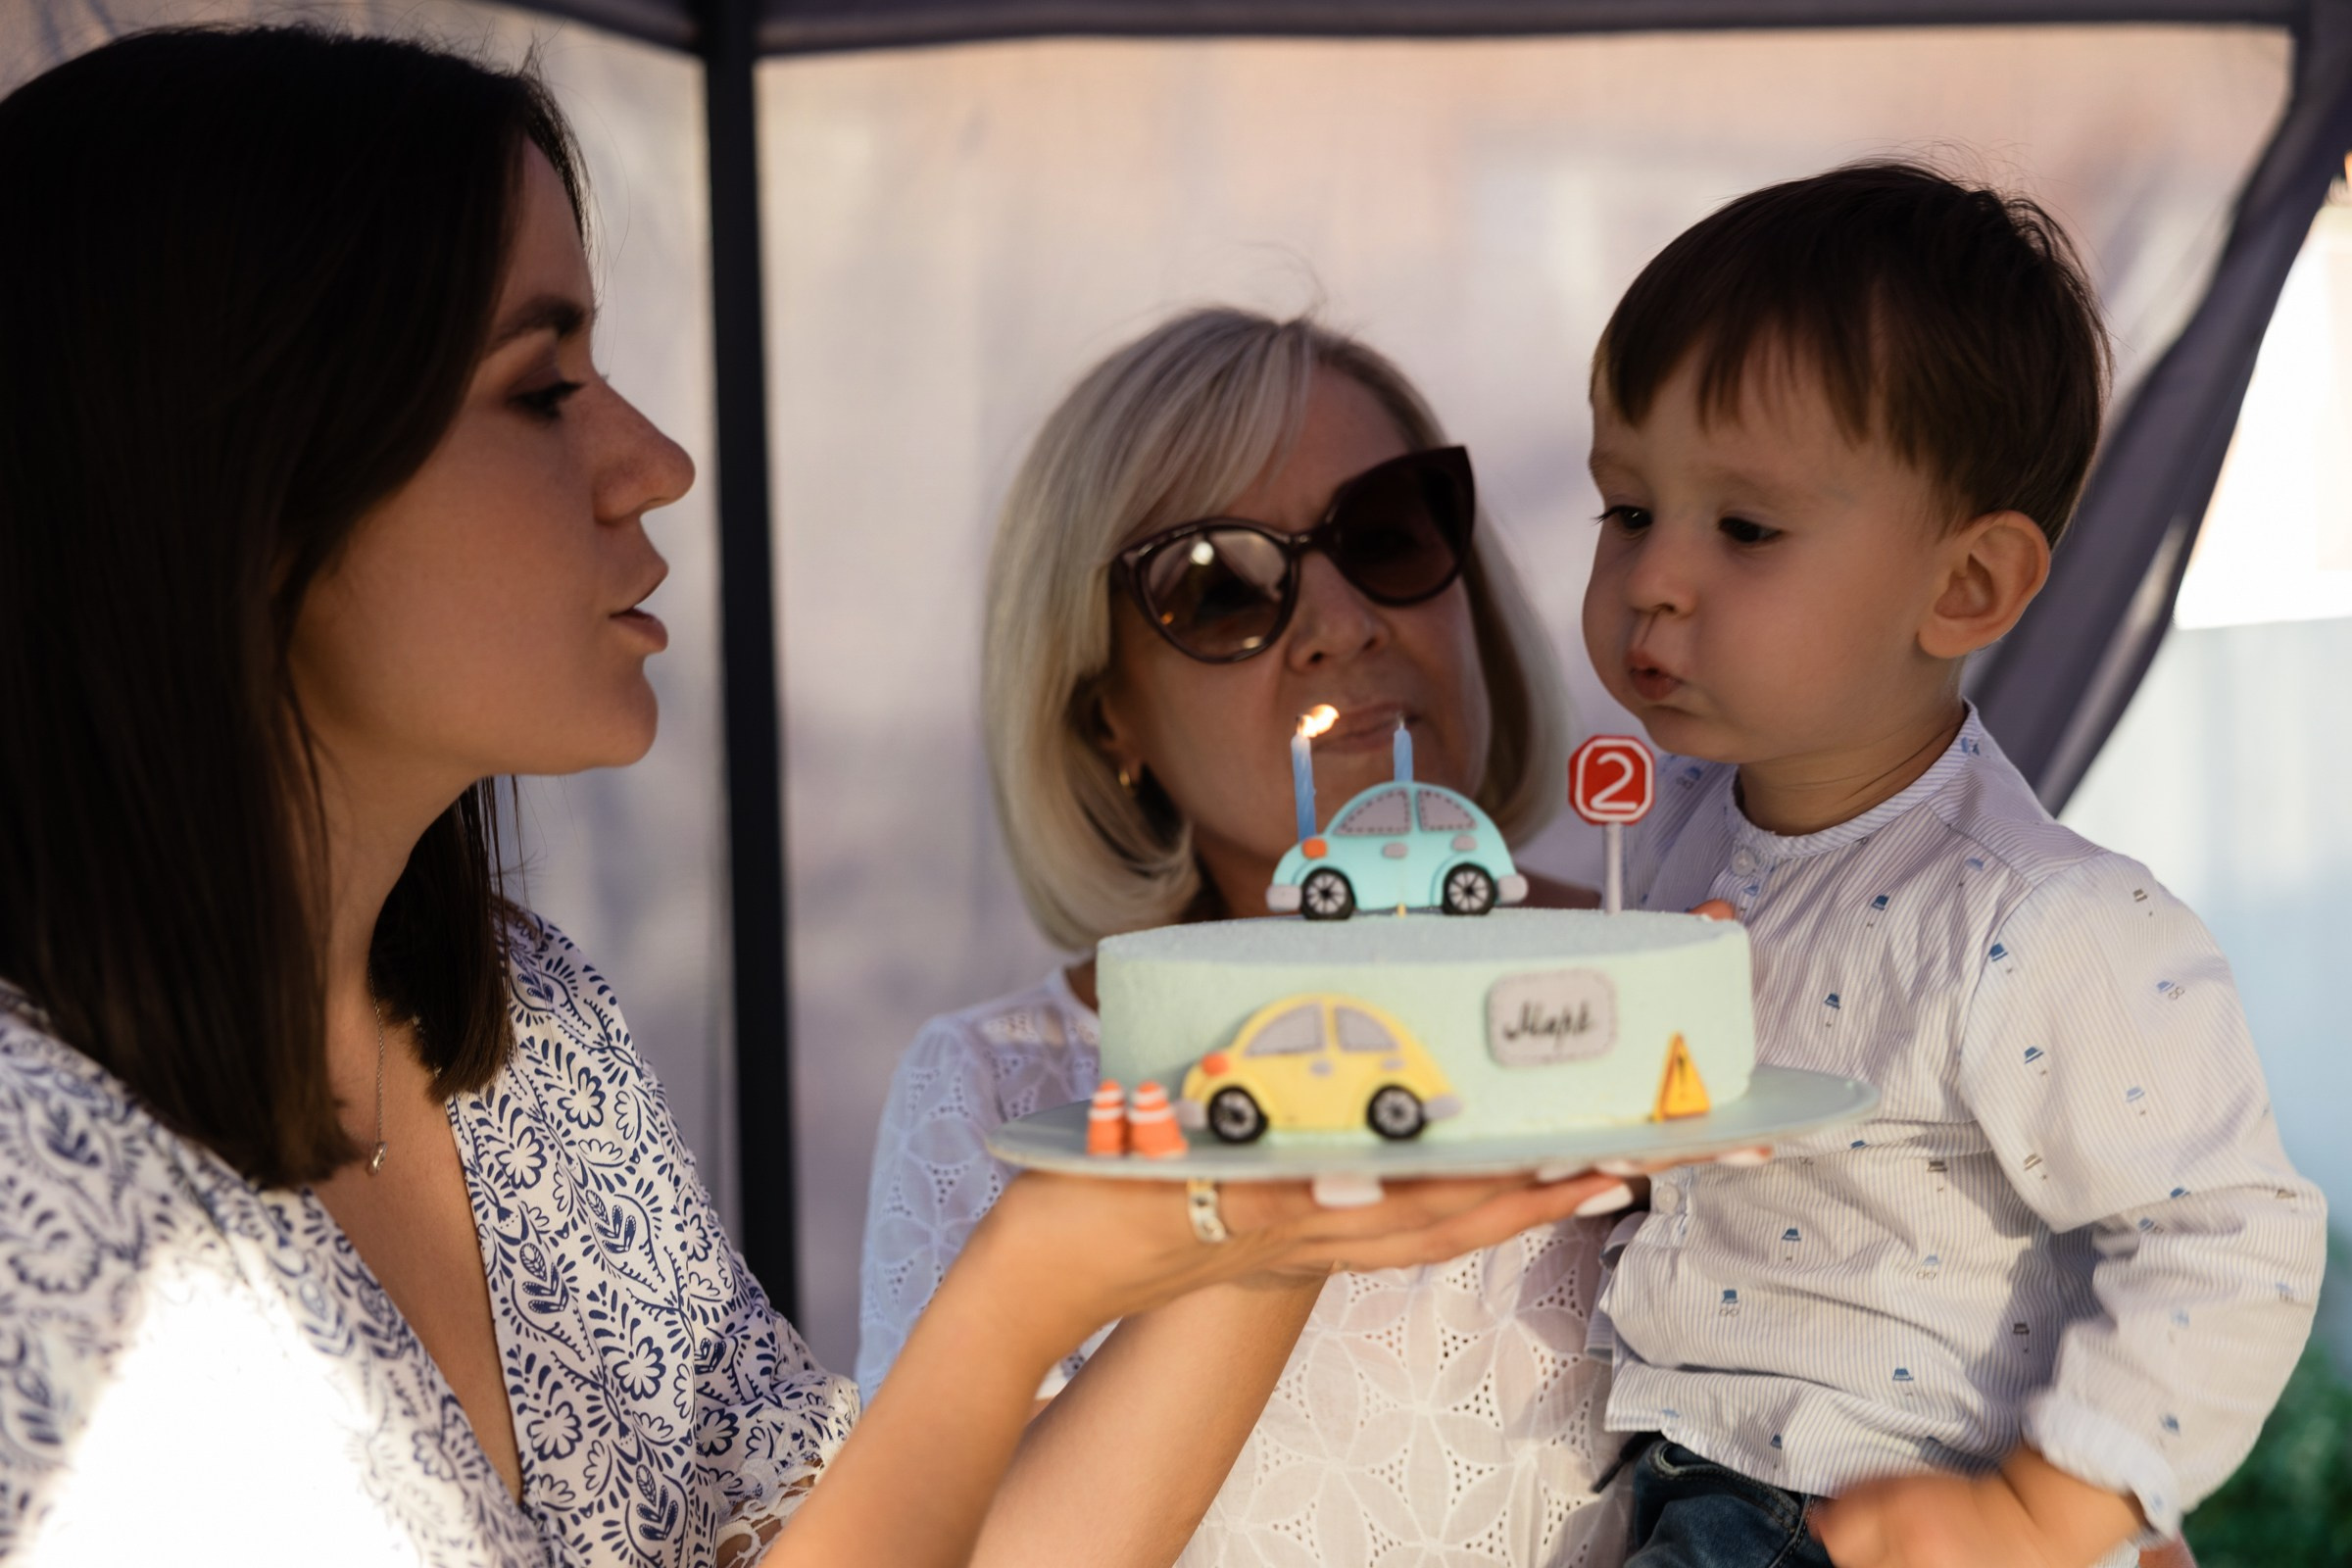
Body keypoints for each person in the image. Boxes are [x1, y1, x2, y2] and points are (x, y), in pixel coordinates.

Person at [0, 27, 1638, 1567]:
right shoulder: (35, 1177)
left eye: (1399, 530)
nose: (655, 458)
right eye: (540, 385)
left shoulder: (532, 1040)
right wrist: (1037, 1275)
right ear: (243, 484)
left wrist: (1263, 1236)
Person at [860, 307, 1764, 1565]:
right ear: (1107, 709)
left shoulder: (1661, 984)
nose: (1340, 619)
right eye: (1219, 585)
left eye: (1386, 533)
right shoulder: (995, 1086)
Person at [1576, 160, 2325, 1568]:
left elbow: (2229, 1236)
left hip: (1878, 1505)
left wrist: (2044, 1513)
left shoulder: (2039, 920)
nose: (1654, 578)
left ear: (1966, 586)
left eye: (1743, 526)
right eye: (1627, 509)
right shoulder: (1671, 828)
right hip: (1673, 1467)